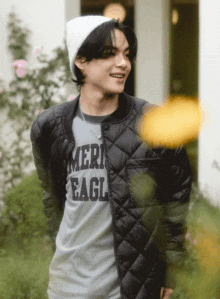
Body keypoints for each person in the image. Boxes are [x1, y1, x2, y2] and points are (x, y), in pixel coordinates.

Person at [30, 15, 192, 299]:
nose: (123, 63)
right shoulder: (49, 127)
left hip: (130, 287)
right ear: (81, 60)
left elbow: (175, 200)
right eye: (110, 54)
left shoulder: (154, 123)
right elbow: (53, 200)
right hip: (66, 286)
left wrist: (172, 269)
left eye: (126, 54)